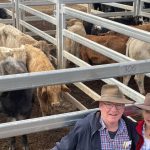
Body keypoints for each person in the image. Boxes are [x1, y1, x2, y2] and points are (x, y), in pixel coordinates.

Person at [52, 84, 139, 150]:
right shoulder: (85, 127)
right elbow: (61, 148)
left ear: (123, 107)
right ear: (100, 106)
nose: (114, 109)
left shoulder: (131, 129)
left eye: (119, 105)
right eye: (108, 104)